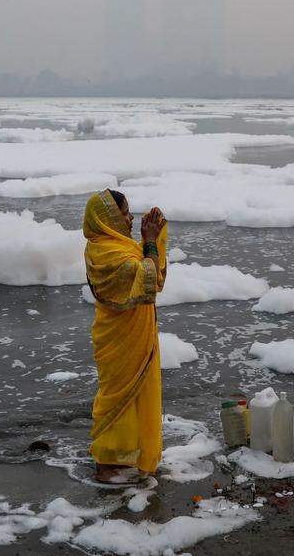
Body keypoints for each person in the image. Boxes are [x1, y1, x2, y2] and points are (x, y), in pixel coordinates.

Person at [82, 188, 168, 483]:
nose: (131, 218)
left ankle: (131, 454)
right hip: (118, 336)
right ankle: (106, 462)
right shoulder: (105, 252)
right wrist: (150, 242)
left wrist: (149, 243)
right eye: (125, 213)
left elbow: (150, 275)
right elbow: (145, 278)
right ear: (108, 217)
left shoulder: (117, 245)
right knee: (117, 397)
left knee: (138, 395)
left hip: (135, 332)